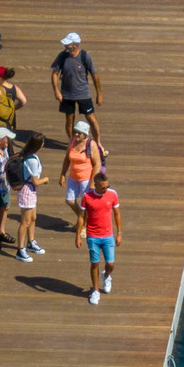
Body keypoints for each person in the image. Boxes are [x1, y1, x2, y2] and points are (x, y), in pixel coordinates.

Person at [76, 170, 122, 305]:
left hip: (108, 235)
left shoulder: (112, 195)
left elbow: (117, 214)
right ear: (95, 185)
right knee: (94, 263)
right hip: (93, 236)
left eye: (107, 186)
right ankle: (95, 290)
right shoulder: (87, 197)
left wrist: (119, 233)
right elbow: (81, 217)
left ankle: (106, 276)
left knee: (110, 264)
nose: (105, 189)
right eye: (103, 187)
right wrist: (78, 235)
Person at [51, 32, 104, 144]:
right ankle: (72, 143)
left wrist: (99, 94)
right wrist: (56, 90)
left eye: (68, 44)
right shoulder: (62, 56)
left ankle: (98, 142)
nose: (65, 46)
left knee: (91, 118)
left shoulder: (85, 56)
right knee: (69, 119)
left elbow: (95, 76)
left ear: (75, 45)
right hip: (67, 94)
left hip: (83, 94)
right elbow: (55, 73)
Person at [13, 134, 48, 262]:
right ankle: (20, 249)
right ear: (40, 145)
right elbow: (36, 181)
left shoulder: (31, 156)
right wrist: (46, 180)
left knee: (33, 218)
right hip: (27, 191)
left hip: (32, 192)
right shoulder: (32, 160)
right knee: (25, 222)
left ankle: (31, 242)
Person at [60, 119, 103, 221]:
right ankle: (82, 217)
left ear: (85, 134)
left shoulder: (91, 144)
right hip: (73, 177)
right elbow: (67, 158)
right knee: (69, 200)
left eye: (79, 132)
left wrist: (93, 182)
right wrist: (62, 174)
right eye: (75, 131)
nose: (76, 134)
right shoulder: (72, 141)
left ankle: (84, 225)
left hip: (86, 179)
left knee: (85, 204)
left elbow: (97, 164)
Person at [0, 65, 26, 136]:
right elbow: (23, 101)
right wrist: (13, 109)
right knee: (8, 138)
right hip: (10, 119)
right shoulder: (15, 88)